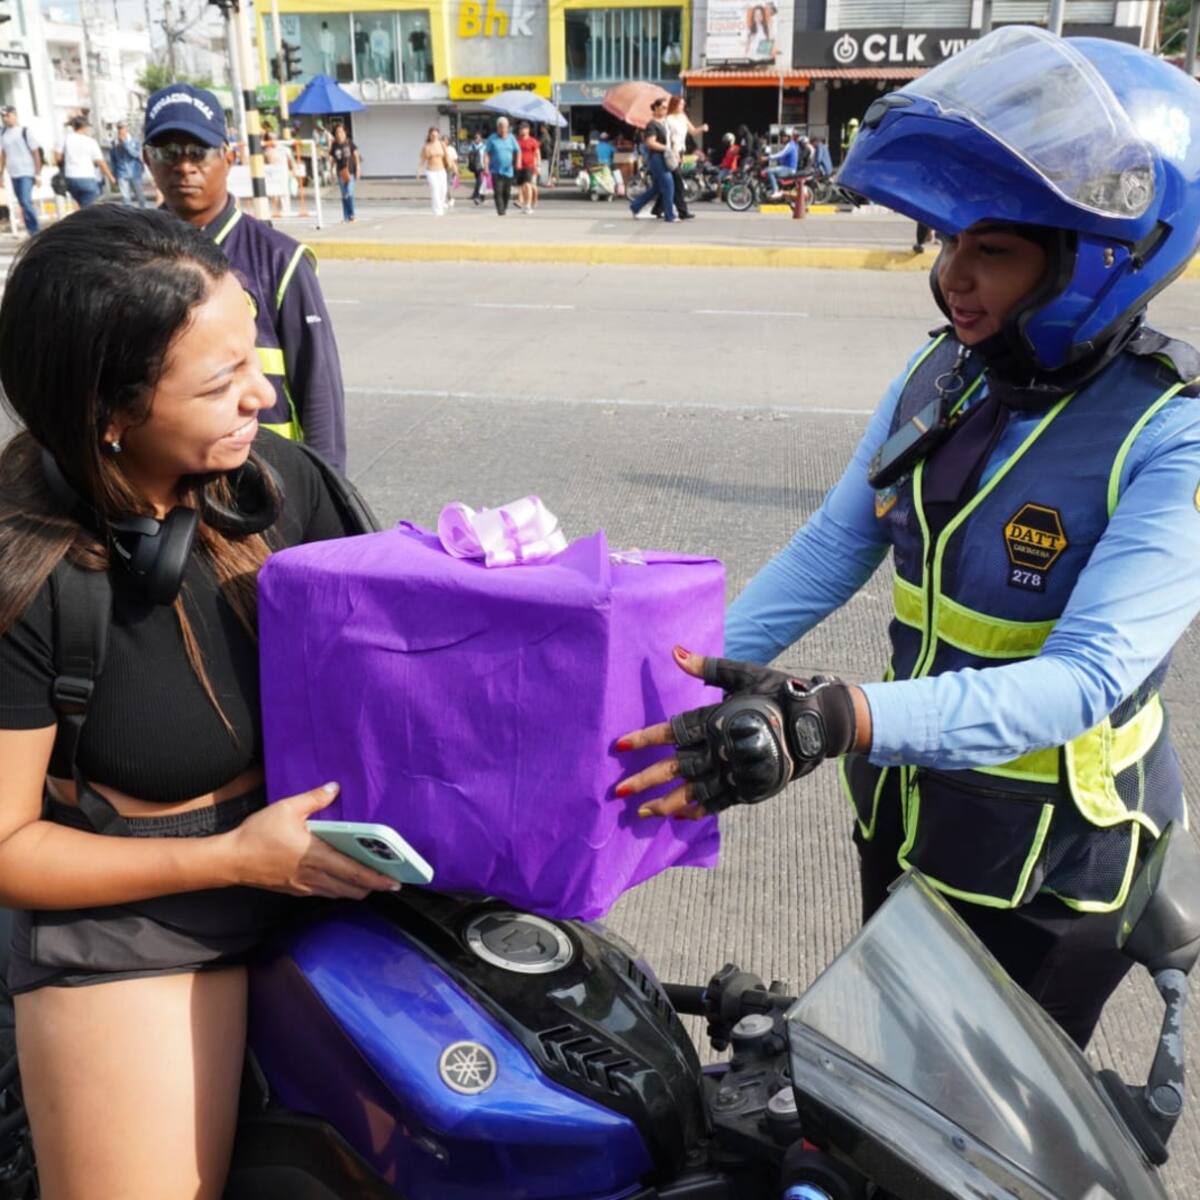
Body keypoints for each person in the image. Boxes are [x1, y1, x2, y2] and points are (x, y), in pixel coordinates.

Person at [614, 27, 1200, 1052]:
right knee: (881, 1088)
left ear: (1103, 260)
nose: (953, 278)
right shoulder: (949, 372)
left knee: (974, 1143)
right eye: (950, 243)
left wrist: (829, 719)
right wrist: (665, 677)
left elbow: (1085, 679)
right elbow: (837, 546)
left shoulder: (1172, 429)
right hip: (911, 817)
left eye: (995, 251)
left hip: (1053, 867)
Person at [0, 204, 397, 1199]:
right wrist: (233, 858)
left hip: (336, 874)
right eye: (221, 385)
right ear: (110, 412)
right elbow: (7, 848)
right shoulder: (29, 575)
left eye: (252, 356)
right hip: (149, 912)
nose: (266, 394)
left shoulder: (281, 484)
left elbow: (402, 670)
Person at [142, 84, 348, 471]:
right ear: (146, 159)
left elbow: (319, 388)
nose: (184, 166)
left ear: (229, 157)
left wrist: (327, 490)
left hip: (262, 475)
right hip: (164, 475)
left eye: (198, 152)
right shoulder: (132, 256)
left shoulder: (279, 259)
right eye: (168, 152)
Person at [654, 95, 707, 221]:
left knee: (672, 182)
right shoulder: (668, 119)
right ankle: (683, 211)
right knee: (677, 182)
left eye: (683, 104)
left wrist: (702, 128)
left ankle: (657, 208)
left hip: (681, 151)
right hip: (672, 152)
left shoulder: (683, 117)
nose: (682, 107)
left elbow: (693, 131)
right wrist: (673, 152)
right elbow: (667, 138)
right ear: (674, 105)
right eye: (680, 104)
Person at [628, 97, 677, 223]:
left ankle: (635, 206)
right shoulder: (652, 124)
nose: (666, 110)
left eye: (667, 108)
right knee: (669, 185)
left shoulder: (664, 123)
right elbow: (650, 143)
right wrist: (667, 148)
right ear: (656, 108)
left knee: (657, 188)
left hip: (664, 157)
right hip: (656, 158)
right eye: (663, 107)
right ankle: (669, 215)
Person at [0, 105, 43, 235]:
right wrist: (1, 174)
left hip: (27, 171)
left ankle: (35, 229)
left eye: (7, 115)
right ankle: (31, 230)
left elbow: (35, 152)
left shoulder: (24, 131)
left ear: (14, 115)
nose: (5, 119)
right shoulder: (3, 133)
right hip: (13, 172)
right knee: (23, 203)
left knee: (25, 200)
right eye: (3, 116)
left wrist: (38, 174)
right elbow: (3, 155)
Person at [57, 116, 115, 209]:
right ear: (84, 127)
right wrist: (110, 176)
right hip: (86, 176)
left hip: (70, 177)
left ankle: (81, 218)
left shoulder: (65, 139)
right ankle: (86, 221)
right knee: (89, 206)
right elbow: (100, 162)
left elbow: (58, 157)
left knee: (80, 204)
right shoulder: (90, 141)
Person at [484, 116, 520, 216]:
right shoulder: (492, 138)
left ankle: (503, 207)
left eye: (506, 127)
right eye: (502, 127)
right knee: (498, 191)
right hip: (496, 170)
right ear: (498, 127)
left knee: (507, 192)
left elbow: (518, 151)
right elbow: (486, 153)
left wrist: (518, 162)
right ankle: (501, 211)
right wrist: (486, 167)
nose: (504, 130)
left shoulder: (511, 138)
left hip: (509, 170)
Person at [328, 121, 362, 227]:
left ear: (345, 132)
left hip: (350, 172)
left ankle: (352, 215)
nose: (339, 134)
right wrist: (331, 171)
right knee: (344, 195)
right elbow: (332, 159)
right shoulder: (334, 145)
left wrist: (358, 168)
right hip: (340, 172)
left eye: (341, 131)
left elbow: (356, 155)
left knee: (349, 193)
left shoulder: (349, 143)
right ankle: (346, 216)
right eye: (337, 132)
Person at [109, 122, 148, 208]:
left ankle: (144, 213)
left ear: (126, 130)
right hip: (121, 173)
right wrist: (114, 174)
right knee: (125, 198)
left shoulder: (135, 141)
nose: (121, 133)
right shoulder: (114, 143)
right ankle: (128, 216)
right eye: (119, 131)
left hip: (135, 173)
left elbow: (135, 154)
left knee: (140, 196)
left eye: (123, 130)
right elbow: (113, 160)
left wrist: (125, 144)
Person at [417, 126, 449, 217]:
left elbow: (447, 156)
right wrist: (419, 171)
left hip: (441, 170)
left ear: (438, 135)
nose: (434, 136)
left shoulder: (442, 144)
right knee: (435, 189)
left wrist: (453, 167)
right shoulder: (426, 147)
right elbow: (422, 161)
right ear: (429, 135)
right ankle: (437, 210)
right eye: (432, 135)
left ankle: (441, 205)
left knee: (443, 189)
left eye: (436, 135)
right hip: (431, 171)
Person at [764, 129, 799, 200]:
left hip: (788, 169)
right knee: (768, 169)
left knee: (770, 171)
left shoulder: (790, 145)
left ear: (788, 137)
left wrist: (768, 158)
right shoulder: (790, 145)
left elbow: (781, 154)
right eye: (781, 136)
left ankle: (775, 191)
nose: (782, 138)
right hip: (786, 168)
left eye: (784, 136)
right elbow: (782, 157)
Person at [515, 121, 540, 213]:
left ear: (528, 130)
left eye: (523, 128)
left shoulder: (533, 141)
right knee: (522, 187)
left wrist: (538, 165)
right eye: (520, 128)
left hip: (530, 165)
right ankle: (525, 204)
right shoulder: (517, 141)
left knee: (528, 185)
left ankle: (529, 205)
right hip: (519, 166)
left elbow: (537, 154)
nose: (521, 130)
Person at [467, 129, 486, 205]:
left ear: (481, 138)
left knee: (480, 181)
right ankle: (477, 195)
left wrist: (486, 165)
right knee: (478, 180)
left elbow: (486, 156)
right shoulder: (471, 146)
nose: (476, 139)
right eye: (475, 138)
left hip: (482, 166)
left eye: (477, 137)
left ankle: (477, 195)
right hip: (474, 166)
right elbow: (468, 156)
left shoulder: (484, 146)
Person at [442, 131, 459, 207]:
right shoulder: (440, 148)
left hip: (449, 169)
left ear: (448, 141)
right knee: (442, 185)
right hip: (441, 169)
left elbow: (455, 160)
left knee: (446, 185)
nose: (443, 141)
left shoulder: (451, 149)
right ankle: (448, 199)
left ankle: (448, 199)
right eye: (442, 140)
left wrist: (456, 170)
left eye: (445, 140)